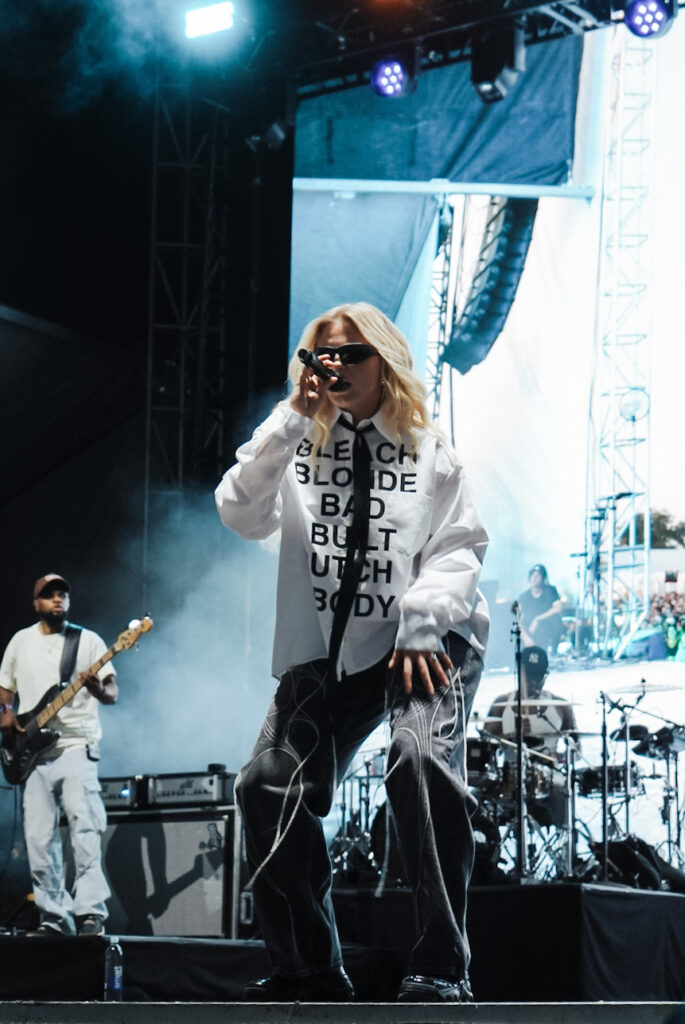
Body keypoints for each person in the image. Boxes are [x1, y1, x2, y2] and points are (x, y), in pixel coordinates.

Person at [215, 302, 489, 1003]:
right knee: (265, 785)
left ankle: (440, 966)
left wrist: (423, 623)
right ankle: (308, 968)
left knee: (420, 761)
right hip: (325, 652)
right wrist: (287, 420)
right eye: (321, 355)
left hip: (423, 643)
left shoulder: (431, 450)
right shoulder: (297, 443)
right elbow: (240, 512)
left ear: (385, 364)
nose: (334, 366)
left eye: (351, 354)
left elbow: (458, 548)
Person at [0, 574, 117, 936]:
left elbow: (113, 693)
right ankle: (54, 917)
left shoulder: (88, 641)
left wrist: (97, 687)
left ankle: (90, 914)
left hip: (76, 747)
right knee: (37, 837)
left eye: (62, 594)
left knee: (85, 828)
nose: (56, 599)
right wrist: (6, 717)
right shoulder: (21, 642)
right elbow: (5, 691)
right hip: (33, 755)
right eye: (48, 595)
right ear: (36, 603)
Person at [485, 646, 578, 827]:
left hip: (548, 777)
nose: (533, 682)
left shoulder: (560, 705)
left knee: (564, 788)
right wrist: (509, 734)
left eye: (538, 676)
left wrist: (561, 757)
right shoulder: (501, 704)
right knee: (473, 798)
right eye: (529, 676)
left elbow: (576, 747)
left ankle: (565, 849)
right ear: (518, 673)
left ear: (546, 675)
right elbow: (485, 746)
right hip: (509, 777)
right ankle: (485, 850)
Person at [517, 564, 563, 653]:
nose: (534, 578)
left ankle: (553, 651)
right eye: (533, 575)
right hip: (529, 631)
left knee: (556, 620)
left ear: (543, 578)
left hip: (547, 627)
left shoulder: (551, 590)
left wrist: (538, 619)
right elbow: (517, 620)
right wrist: (526, 638)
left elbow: (558, 608)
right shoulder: (523, 597)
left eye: (538, 576)